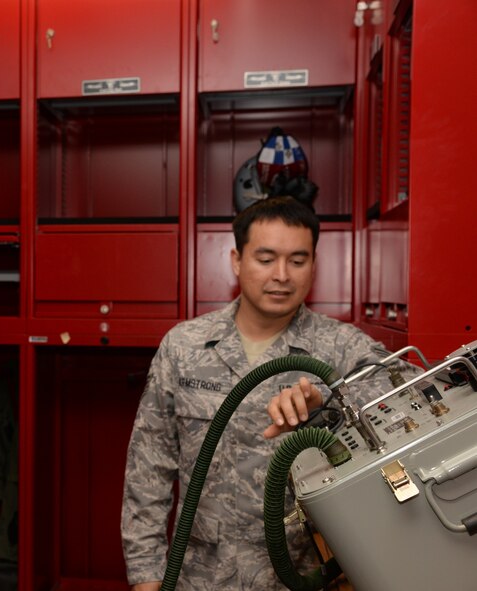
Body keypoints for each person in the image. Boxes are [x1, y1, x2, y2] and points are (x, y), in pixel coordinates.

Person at [121, 196, 421, 590]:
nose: (282, 275)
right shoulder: (184, 346)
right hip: (200, 576)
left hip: (299, 573)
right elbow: (148, 468)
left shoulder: (340, 348)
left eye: (297, 261)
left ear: (314, 265)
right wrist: (145, 576)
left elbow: (419, 394)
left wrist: (331, 402)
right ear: (236, 261)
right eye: (265, 259)